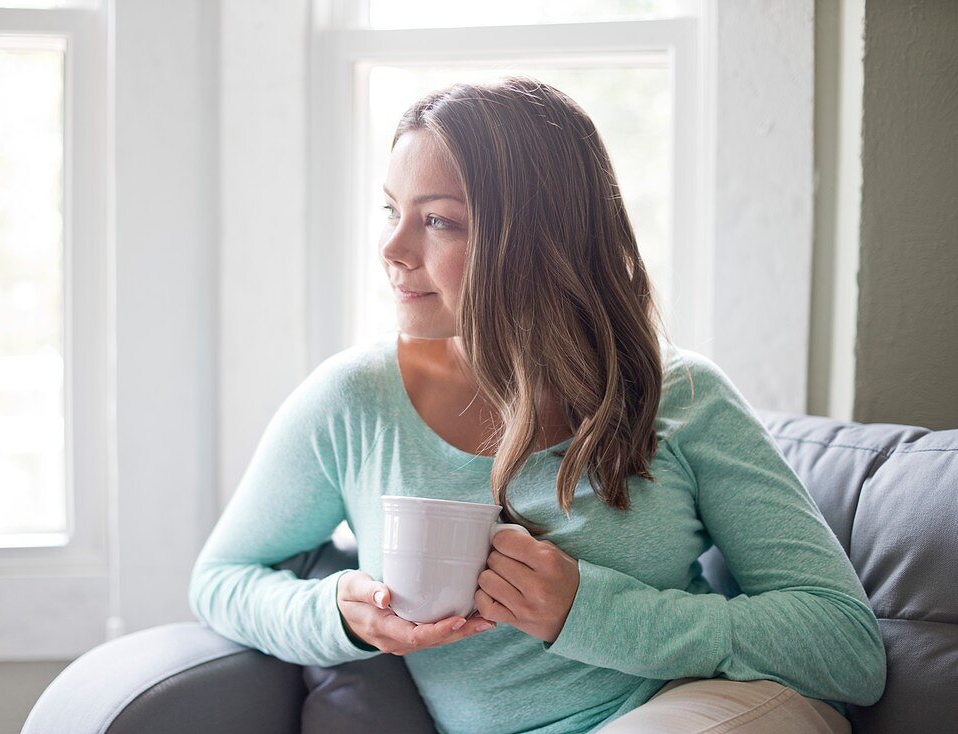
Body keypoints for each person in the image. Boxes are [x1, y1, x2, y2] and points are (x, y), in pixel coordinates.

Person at [189, 77, 886, 733]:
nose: (392, 249)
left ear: (536, 239)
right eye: (391, 210)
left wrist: (591, 610)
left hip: (702, 708)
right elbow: (220, 581)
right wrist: (335, 616)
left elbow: (846, 645)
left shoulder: (680, 396)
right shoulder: (353, 403)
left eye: (437, 221)